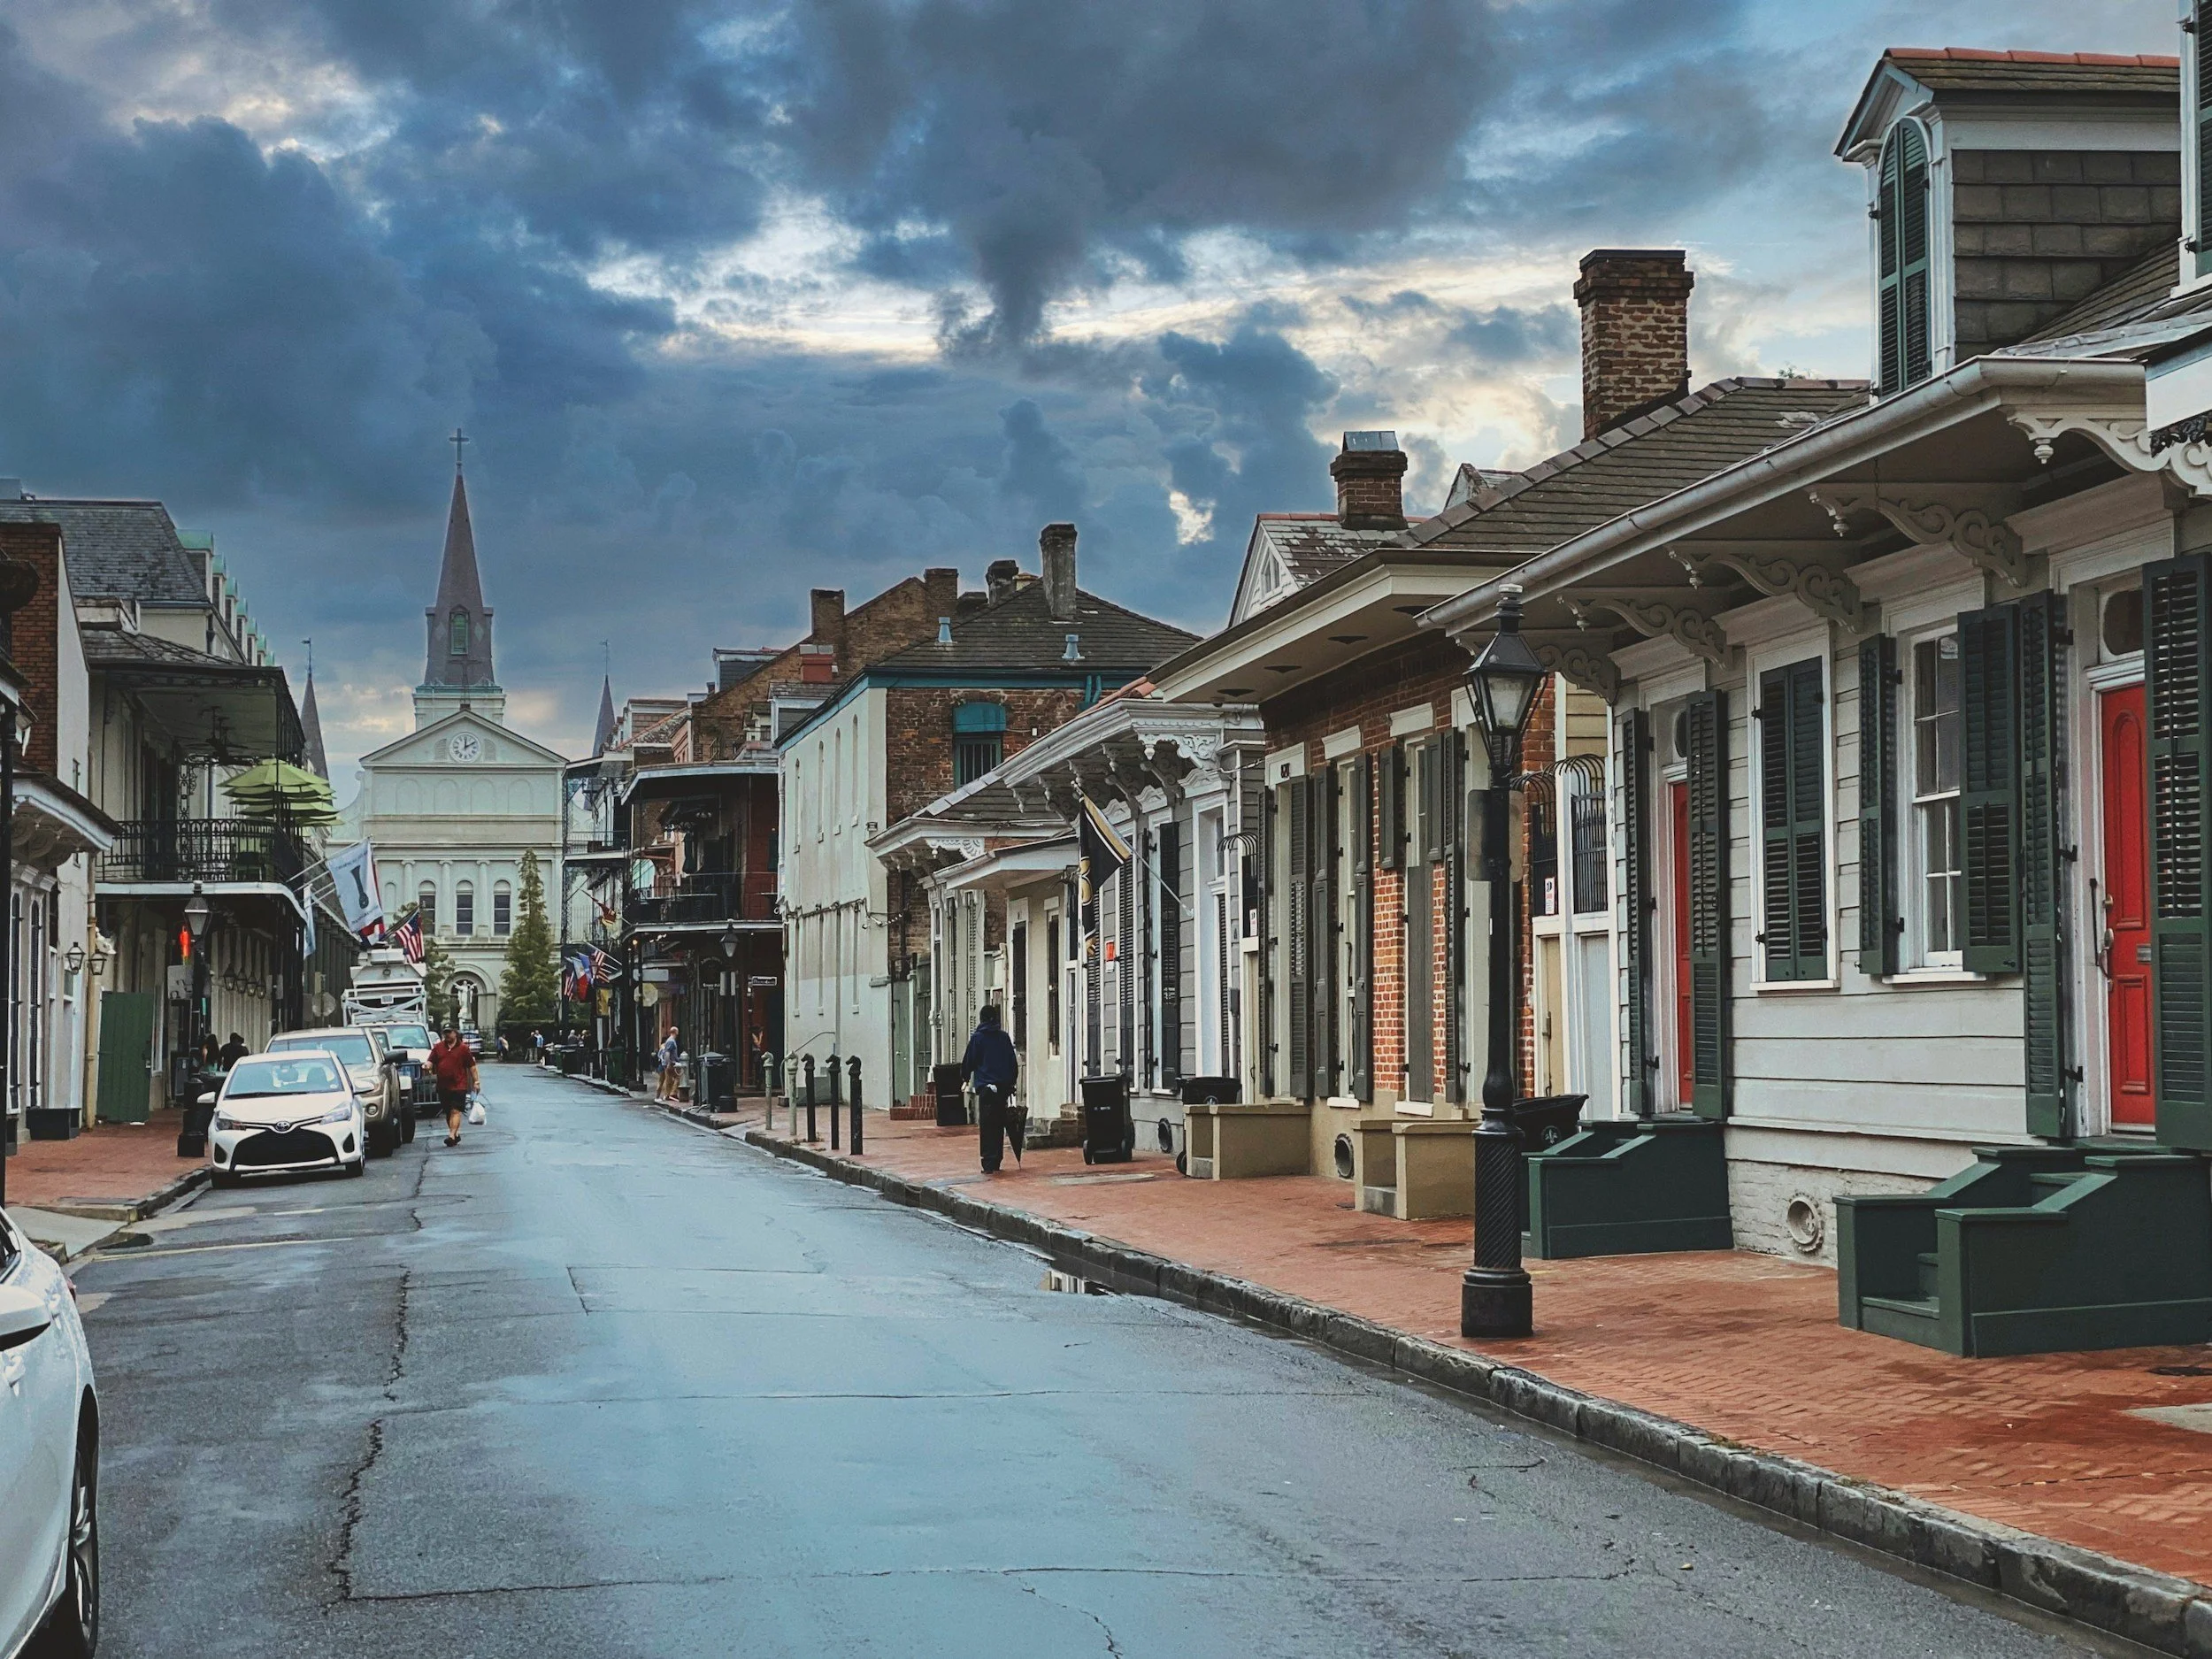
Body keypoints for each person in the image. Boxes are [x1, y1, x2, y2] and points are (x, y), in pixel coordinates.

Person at [960, 1004, 1019, 1174]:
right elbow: (1012, 1064)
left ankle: (988, 1161)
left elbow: (969, 1062)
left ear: (981, 1019)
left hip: (986, 1088)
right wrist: (1011, 1083)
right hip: (1002, 1088)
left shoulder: (978, 1038)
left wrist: (965, 1077)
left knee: (987, 1125)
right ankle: (997, 1158)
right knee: (999, 1124)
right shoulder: (1004, 1038)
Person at [430, 1024, 479, 1147]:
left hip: (459, 1085)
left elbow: (472, 1067)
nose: (447, 1034)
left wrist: (476, 1082)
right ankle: (455, 1134)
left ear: (455, 1033)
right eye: (445, 1032)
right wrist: (427, 1065)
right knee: (448, 1112)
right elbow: (431, 1060)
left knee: (455, 1110)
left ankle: (451, 1135)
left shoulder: (463, 1049)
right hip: (443, 1086)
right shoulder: (438, 1048)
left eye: (449, 1032)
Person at [654, 1026, 681, 1101]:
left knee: (668, 1080)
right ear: (675, 1032)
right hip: (671, 1063)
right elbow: (667, 1053)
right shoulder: (671, 1041)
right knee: (677, 1077)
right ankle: (671, 1093)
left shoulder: (670, 1041)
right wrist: (668, 1063)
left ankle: (667, 1095)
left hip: (670, 1063)